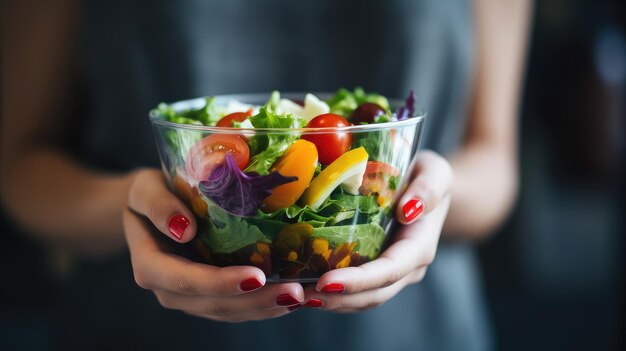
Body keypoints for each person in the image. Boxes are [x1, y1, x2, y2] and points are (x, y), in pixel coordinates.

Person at [1, 0, 531, 350]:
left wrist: (430, 191)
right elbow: (20, 166)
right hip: (142, 328)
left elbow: (496, 161)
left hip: (414, 332)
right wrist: (131, 202)